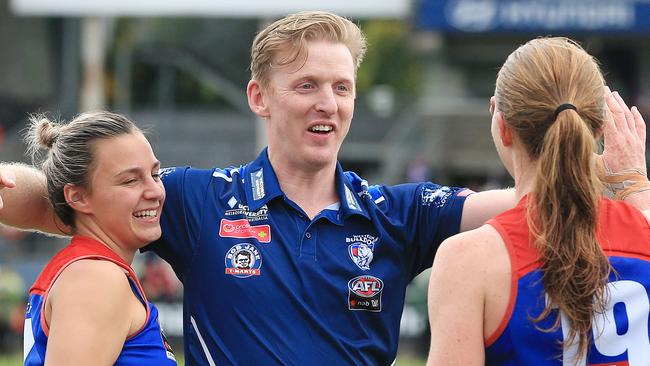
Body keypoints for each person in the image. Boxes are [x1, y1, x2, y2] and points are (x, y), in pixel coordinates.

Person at [0, 13, 648, 365]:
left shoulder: (397, 213)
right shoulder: (203, 200)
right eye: (306, 85)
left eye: (342, 88)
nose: (328, 103)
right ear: (260, 97)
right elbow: (70, 197)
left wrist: (618, 179)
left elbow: (537, 201)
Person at [426, 37, 650, 365]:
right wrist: (635, 187)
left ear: (502, 127)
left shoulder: (469, 260)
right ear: (600, 128)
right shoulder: (642, 227)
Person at [20, 112, 176, 365]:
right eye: (131, 180)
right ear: (78, 197)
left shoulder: (88, 269)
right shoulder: (96, 277)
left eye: (155, 174)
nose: (156, 191)